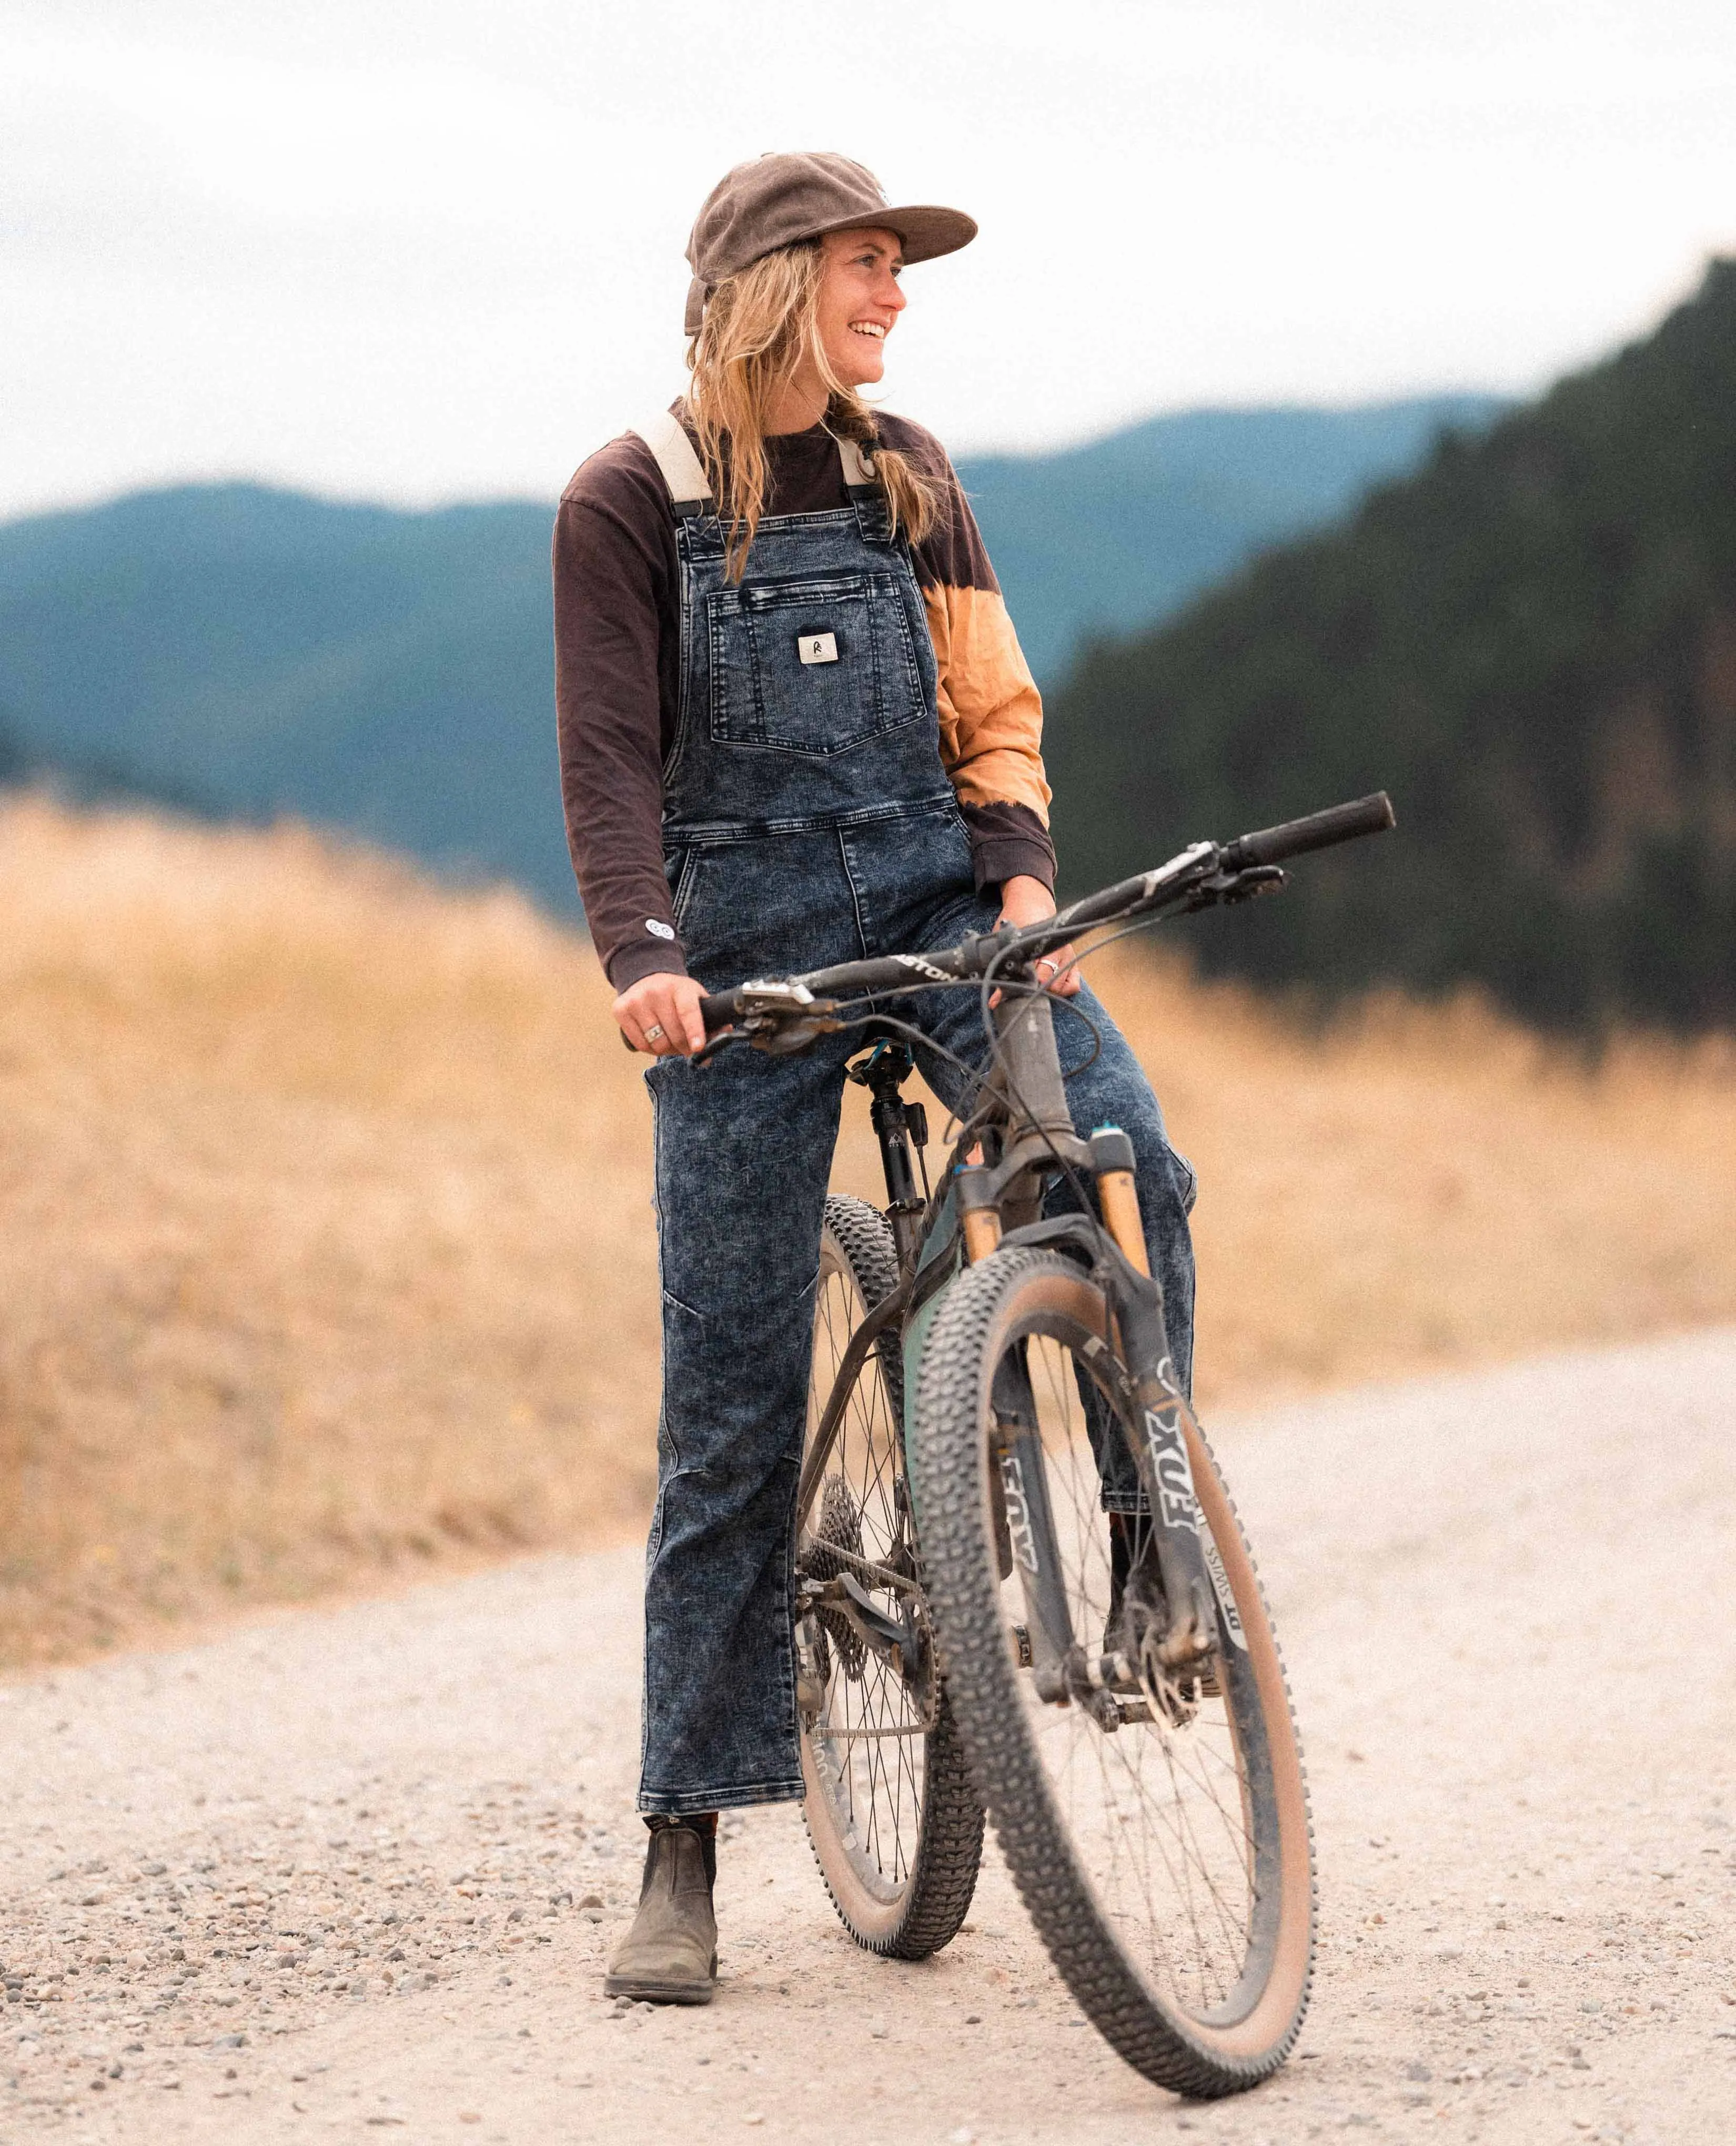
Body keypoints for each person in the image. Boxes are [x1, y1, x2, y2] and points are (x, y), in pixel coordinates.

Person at [553, 151, 1196, 2006]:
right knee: (732, 1402)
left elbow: (990, 704)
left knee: (1130, 1158)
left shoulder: (909, 472)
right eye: (863, 268)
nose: (894, 297)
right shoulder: (627, 499)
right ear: (768, 284)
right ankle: (684, 1834)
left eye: (892, 274)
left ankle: (1154, 1550)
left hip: (935, 902)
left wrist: (1019, 883)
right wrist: (644, 957)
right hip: (736, 965)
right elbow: (606, 759)